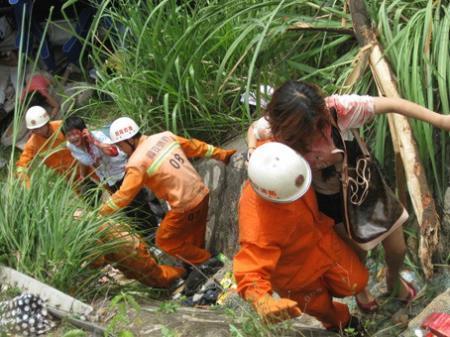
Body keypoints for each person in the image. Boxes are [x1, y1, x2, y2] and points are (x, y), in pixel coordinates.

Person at [246, 80, 450, 312]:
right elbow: (254, 129)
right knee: (357, 253)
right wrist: (252, 151)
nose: (314, 134)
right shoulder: (276, 129)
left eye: (318, 125)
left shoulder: (339, 109)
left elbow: (393, 104)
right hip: (331, 202)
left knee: (397, 248)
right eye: (304, 133)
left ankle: (393, 280)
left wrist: (440, 120)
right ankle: (361, 288)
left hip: (366, 187)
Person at [233, 142, 368, 335]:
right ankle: (345, 325)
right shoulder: (258, 224)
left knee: (356, 281)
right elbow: (249, 269)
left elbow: (268, 123)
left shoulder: (275, 153)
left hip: (322, 242)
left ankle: (344, 299)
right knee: (322, 308)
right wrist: (262, 300)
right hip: (296, 275)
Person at [98, 117, 236, 268]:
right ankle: (203, 264)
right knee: (193, 242)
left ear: (129, 140)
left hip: (185, 205)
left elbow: (124, 195)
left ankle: (209, 261)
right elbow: (195, 147)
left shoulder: (136, 163)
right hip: (202, 193)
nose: (120, 150)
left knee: (165, 241)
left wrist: (100, 213)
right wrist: (222, 154)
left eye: (119, 145)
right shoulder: (165, 136)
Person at [63, 116, 164, 230]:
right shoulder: (71, 146)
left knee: (140, 202)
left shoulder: (98, 137)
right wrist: (82, 175)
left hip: (123, 171)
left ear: (84, 131)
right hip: (109, 179)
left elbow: (114, 152)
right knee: (129, 208)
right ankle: (149, 232)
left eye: (74, 133)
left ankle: (158, 225)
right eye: (69, 135)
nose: (72, 138)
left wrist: (95, 142)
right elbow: (82, 159)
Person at [16, 105, 77, 187]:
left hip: (83, 163)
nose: (38, 131)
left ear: (47, 123)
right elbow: (22, 165)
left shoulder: (62, 126)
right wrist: (26, 183)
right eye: (34, 129)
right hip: (68, 176)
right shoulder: (33, 144)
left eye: (40, 128)